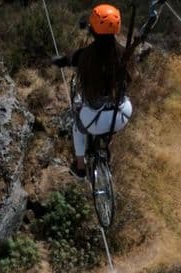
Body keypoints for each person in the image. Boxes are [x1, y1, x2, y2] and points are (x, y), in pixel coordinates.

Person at [52, 2, 163, 178]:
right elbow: (133, 68)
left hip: (94, 119)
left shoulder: (85, 55)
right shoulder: (124, 53)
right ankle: (105, 146)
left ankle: (80, 168)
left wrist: (59, 61)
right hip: (122, 114)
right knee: (116, 107)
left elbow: (68, 59)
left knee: (77, 127)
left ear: (93, 29)